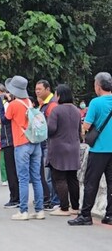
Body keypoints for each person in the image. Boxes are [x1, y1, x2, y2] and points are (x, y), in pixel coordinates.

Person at [69, 72, 112, 226]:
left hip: (99, 150)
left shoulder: (96, 103)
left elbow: (86, 126)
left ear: (98, 86)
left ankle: (85, 215)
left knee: (91, 182)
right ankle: (110, 215)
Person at [5, 76, 44, 220]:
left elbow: (6, 118)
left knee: (23, 178)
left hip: (21, 144)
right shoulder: (29, 102)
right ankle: (39, 210)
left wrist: (7, 101)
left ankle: (23, 211)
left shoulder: (14, 104)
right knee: (36, 177)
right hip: (35, 143)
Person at [46, 84, 81, 216]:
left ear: (59, 95)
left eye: (56, 94)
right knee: (72, 178)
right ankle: (75, 207)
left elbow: (51, 129)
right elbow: (79, 131)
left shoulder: (56, 110)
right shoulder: (77, 110)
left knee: (60, 178)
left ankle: (64, 207)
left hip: (59, 148)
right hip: (74, 147)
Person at [0, 83, 19, 208]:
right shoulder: (5, 104)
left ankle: (15, 198)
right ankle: (16, 197)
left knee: (11, 170)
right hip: (8, 139)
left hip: (10, 140)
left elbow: (5, 118)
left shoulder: (7, 104)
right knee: (12, 170)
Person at [35, 79, 60, 210]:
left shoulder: (52, 105)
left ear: (47, 89)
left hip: (49, 143)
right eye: (36, 89)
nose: (37, 91)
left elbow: (52, 126)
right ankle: (50, 199)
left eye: (40, 89)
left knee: (50, 174)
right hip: (43, 143)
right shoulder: (43, 105)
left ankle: (54, 200)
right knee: (45, 174)